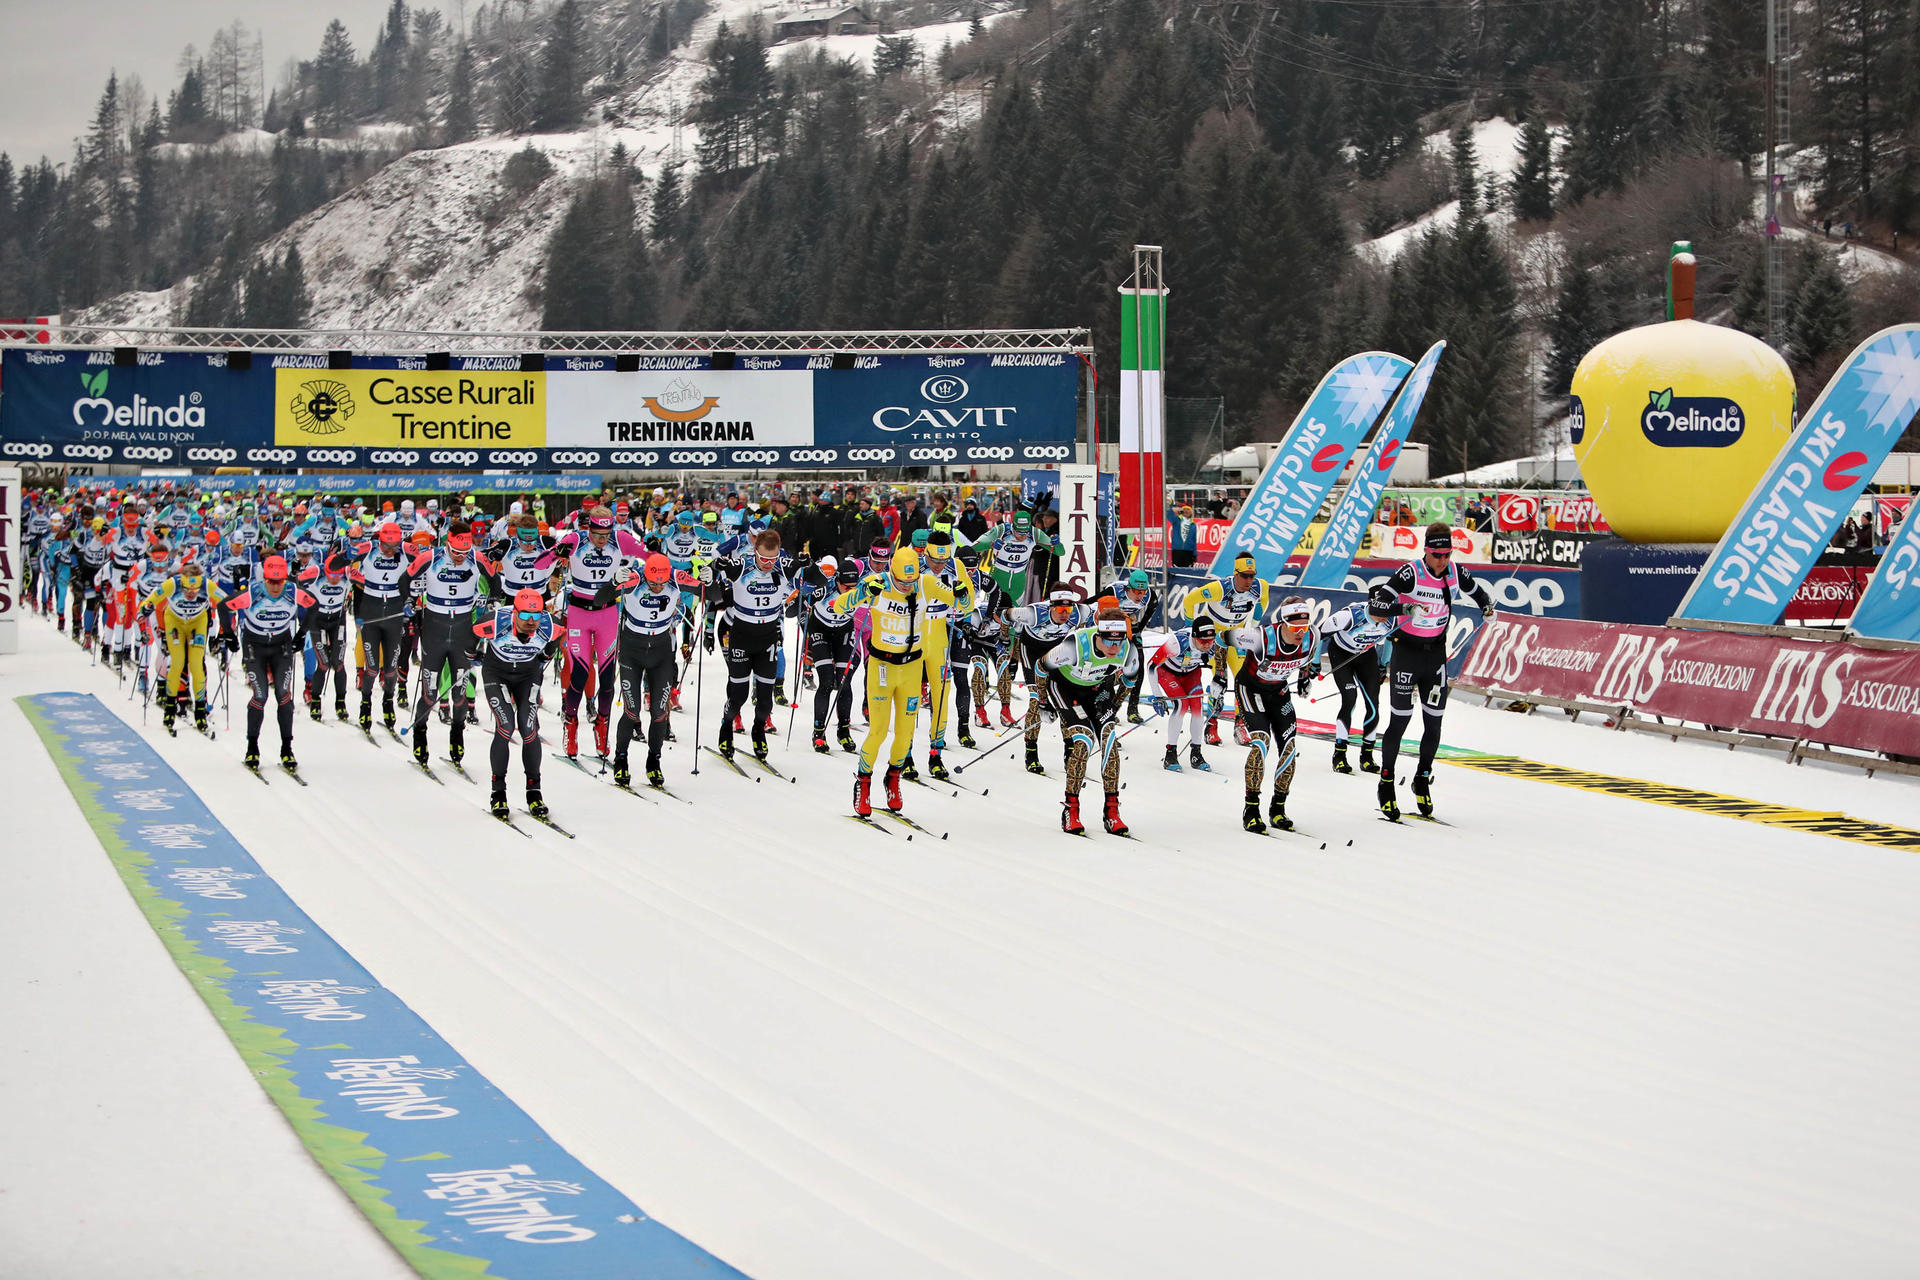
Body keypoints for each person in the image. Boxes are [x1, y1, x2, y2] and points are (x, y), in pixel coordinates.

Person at [831, 546, 972, 817]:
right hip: (882, 668)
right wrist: (861, 594)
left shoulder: (926, 582)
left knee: (906, 734)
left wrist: (962, 591)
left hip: (910, 668)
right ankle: (863, 781)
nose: (907, 587)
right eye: (901, 582)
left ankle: (893, 778)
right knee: (879, 731)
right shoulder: (878, 583)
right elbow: (839, 606)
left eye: (911, 582)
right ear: (892, 573)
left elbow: (964, 606)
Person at [1378, 522, 1494, 820]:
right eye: (1437, 554)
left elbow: (1478, 592)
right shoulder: (1411, 573)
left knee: (1434, 725)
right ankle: (1386, 783)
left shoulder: (1455, 572)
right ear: (1426, 551)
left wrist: (1487, 608)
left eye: (1447, 554)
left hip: (1435, 658)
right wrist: (1405, 610)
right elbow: (1377, 605)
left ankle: (1421, 778)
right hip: (1406, 654)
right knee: (1400, 722)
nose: (1443, 560)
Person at [536, 506, 649, 760]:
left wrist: (650, 557)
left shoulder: (619, 539)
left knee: (608, 676)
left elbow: (652, 557)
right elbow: (540, 562)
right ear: (588, 528)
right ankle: (571, 723)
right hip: (579, 613)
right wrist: (557, 553)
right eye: (597, 534)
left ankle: (602, 725)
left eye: (606, 533)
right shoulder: (576, 539)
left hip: (607, 613)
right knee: (580, 670)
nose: (602, 539)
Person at [1036, 606, 1135, 835]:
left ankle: (1112, 810)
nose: (1115, 647)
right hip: (1065, 689)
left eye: (1119, 641)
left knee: (1109, 741)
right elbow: (1041, 668)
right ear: (1098, 636)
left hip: (1097, 690)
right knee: (1084, 741)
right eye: (1109, 641)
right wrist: (1043, 702)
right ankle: (1071, 809)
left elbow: (1129, 682)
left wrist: (1112, 711)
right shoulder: (1075, 646)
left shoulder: (1127, 650)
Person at [1223, 595, 1319, 832]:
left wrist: (1304, 677)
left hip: (1278, 691)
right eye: (1296, 627)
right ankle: (1252, 809)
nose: (1301, 632)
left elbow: (1308, 654)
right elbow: (1221, 638)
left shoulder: (1312, 636)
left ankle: (1278, 808)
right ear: (1283, 623)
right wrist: (1218, 676)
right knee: (1261, 743)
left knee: (1289, 747)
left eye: (1304, 627)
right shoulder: (1260, 637)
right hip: (1250, 688)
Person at [474, 588, 560, 821]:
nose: (531, 622)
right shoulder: (496, 621)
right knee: (505, 725)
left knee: (528, 727)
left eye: (536, 616)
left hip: (527, 675)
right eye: (524, 616)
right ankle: (498, 792)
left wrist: (546, 656)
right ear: (514, 613)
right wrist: (472, 654)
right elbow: (472, 633)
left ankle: (534, 790)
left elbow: (557, 635)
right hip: (497, 673)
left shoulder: (550, 625)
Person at [221, 554, 313, 774]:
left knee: (283, 694)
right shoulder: (253, 593)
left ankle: (287, 748)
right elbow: (223, 606)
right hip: (255, 647)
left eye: (279, 581)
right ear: (264, 578)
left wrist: (302, 633)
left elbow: (314, 605)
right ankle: (252, 747)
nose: (275, 586)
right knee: (260, 696)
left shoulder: (292, 591)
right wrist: (229, 635)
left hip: (281, 647)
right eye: (271, 581)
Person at [329, 522, 424, 733]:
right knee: (372, 668)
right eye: (386, 546)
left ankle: (388, 701)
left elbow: (429, 565)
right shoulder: (368, 548)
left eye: (394, 546)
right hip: (370, 611)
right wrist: (346, 556)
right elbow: (333, 566)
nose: (390, 551)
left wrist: (412, 600)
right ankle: (365, 703)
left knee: (390, 669)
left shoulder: (407, 551)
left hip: (394, 612)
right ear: (379, 540)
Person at [408, 530, 485, 770]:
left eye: (465, 552)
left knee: (460, 694)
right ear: (448, 545)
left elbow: (494, 582)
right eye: (456, 552)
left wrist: (490, 602)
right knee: (430, 694)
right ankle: (420, 733)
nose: (461, 556)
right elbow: (406, 578)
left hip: (463, 631)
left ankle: (457, 735)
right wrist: (408, 600)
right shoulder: (431, 557)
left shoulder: (476, 557)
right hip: (434, 629)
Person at [1005, 584, 1097, 773]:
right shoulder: (1034, 613)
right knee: (1036, 700)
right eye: (1060, 609)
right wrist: (1007, 640)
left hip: (1056, 650)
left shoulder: (1080, 612)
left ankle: (1069, 751)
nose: (1065, 613)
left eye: (1068, 608)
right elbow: (1005, 614)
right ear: (1050, 606)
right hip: (1031, 650)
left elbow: (1098, 617)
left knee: (1064, 698)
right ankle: (1031, 752)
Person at [611, 553, 684, 789]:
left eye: (661, 583)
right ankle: (620, 759)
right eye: (653, 582)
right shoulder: (634, 579)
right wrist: (614, 581)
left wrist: (709, 578)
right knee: (632, 711)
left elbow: (711, 594)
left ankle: (654, 761)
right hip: (632, 651)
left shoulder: (675, 579)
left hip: (661, 653)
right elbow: (603, 596)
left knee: (659, 712)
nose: (657, 587)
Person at [1309, 583, 1400, 774]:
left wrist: (1384, 665)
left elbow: (1390, 640)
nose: (1386, 615)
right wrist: (1315, 662)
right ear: (1371, 605)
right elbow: (1319, 634)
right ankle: (1340, 755)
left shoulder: (1391, 620)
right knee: (1350, 697)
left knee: (1373, 704)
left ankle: (1367, 756)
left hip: (1366, 657)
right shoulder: (1350, 615)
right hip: (1341, 654)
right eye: (1382, 610)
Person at [1182, 551, 1270, 745]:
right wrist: (1190, 629)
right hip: (1214, 637)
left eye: (1252, 575)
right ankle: (1211, 723)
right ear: (1235, 573)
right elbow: (1189, 600)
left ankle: (1240, 724)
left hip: (1236, 635)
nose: (1249, 580)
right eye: (1245, 576)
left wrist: (1253, 625)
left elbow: (1263, 602)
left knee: (1243, 680)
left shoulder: (1260, 586)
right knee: (1220, 677)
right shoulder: (1219, 589)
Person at [138, 559, 227, 736]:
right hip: (175, 623)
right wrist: (145, 608)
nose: (190, 594)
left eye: (194, 590)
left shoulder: (206, 584)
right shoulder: (173, 583)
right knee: (177, 663)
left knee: (196, 665)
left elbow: (226, 600)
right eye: (186, 590)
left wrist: (235, 611)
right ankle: (170, 708)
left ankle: (200, 711)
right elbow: (151, 599)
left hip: (198, 623)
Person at [807, 557, 862, 753]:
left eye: (853, 587)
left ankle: (844, 731)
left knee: (844, 681)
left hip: (844, 632)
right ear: (837, 581)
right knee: (827, 681)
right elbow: (800, 601)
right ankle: (818, 731)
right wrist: (806, 601)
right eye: (846, 587)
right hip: (820, 630)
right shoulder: (826, 588)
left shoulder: (860, 589)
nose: (849, 590)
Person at [1149, 615, 1216, 771]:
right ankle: (1170, 753)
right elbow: (1152, 666)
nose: (1207, 645)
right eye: (1202, 641)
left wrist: (1217, 686)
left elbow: (1219, 667)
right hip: (1168, 673)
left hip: (1191, 674)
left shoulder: (1214, 644)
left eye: (1210, 641)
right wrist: (1157, 696)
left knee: (1198, 707)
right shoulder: (1177, 643)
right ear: (1193, 637)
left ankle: (1196, 754)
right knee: (1182, 705)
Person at [298, 552, 353, 722]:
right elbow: (296, 583)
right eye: (331, 576)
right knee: (323, 664)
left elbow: (367, 583)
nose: (335, 579)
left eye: (338, 576)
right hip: (318, 620)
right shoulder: (315, 572)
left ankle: (340, 702)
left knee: (338, 663)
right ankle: (315, 700)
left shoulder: (348, 573)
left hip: (338, 621)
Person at [1114, 568, 1158, 723]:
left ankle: (1132, 708)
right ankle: (1107, 707)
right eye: (1136, 591)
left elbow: (1153, 606)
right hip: (1114, 628)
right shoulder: (1115, 590)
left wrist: (1140, 626)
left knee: (1138, 663)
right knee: (1113, 666)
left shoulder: (1149, 594)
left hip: (1132, 627)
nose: (1140, 594)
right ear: (1128, 587)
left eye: (1143, 591)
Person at [1169, 504, 1198, 569]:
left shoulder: (1193, 525)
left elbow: (1194, 540)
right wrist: (1174, 509)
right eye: (1184, 510)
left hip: (1188, 551)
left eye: (1188, 510)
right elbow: (1169, 515)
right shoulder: (1177, 520)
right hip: (1177, 550)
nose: (1186, 511)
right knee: (1176, 571)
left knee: (1188, 572)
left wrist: (1195, 554)